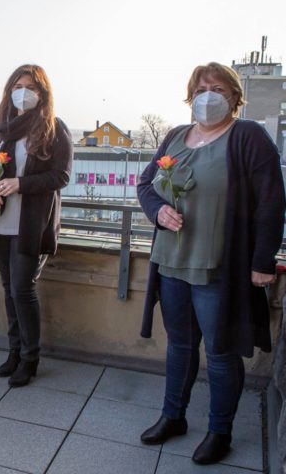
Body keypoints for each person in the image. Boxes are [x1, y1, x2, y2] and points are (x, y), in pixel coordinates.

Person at [137, 62, 285, 464]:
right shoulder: (174, 136)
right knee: (180, 347)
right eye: (201, 88)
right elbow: (146, 184)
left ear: (235, 96)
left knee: (221, 353)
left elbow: (272, 200)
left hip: (220, 267)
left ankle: (221, 431)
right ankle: (174, 416)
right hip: (171, 262)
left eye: (218, 88)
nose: (208, 95)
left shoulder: (248, 137)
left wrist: (262, 261)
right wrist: (158, 213)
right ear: (191, 95)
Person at [0, 64, 73, 387]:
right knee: (9, 289)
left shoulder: (54, 129)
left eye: (31, 86)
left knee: (22, 288)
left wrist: (20, 184)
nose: (23, 91)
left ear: (42, 93)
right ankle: (14, 350)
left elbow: (61, 176)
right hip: (1, 221)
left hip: (31, 224)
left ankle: (30, 358)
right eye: (18, 85)